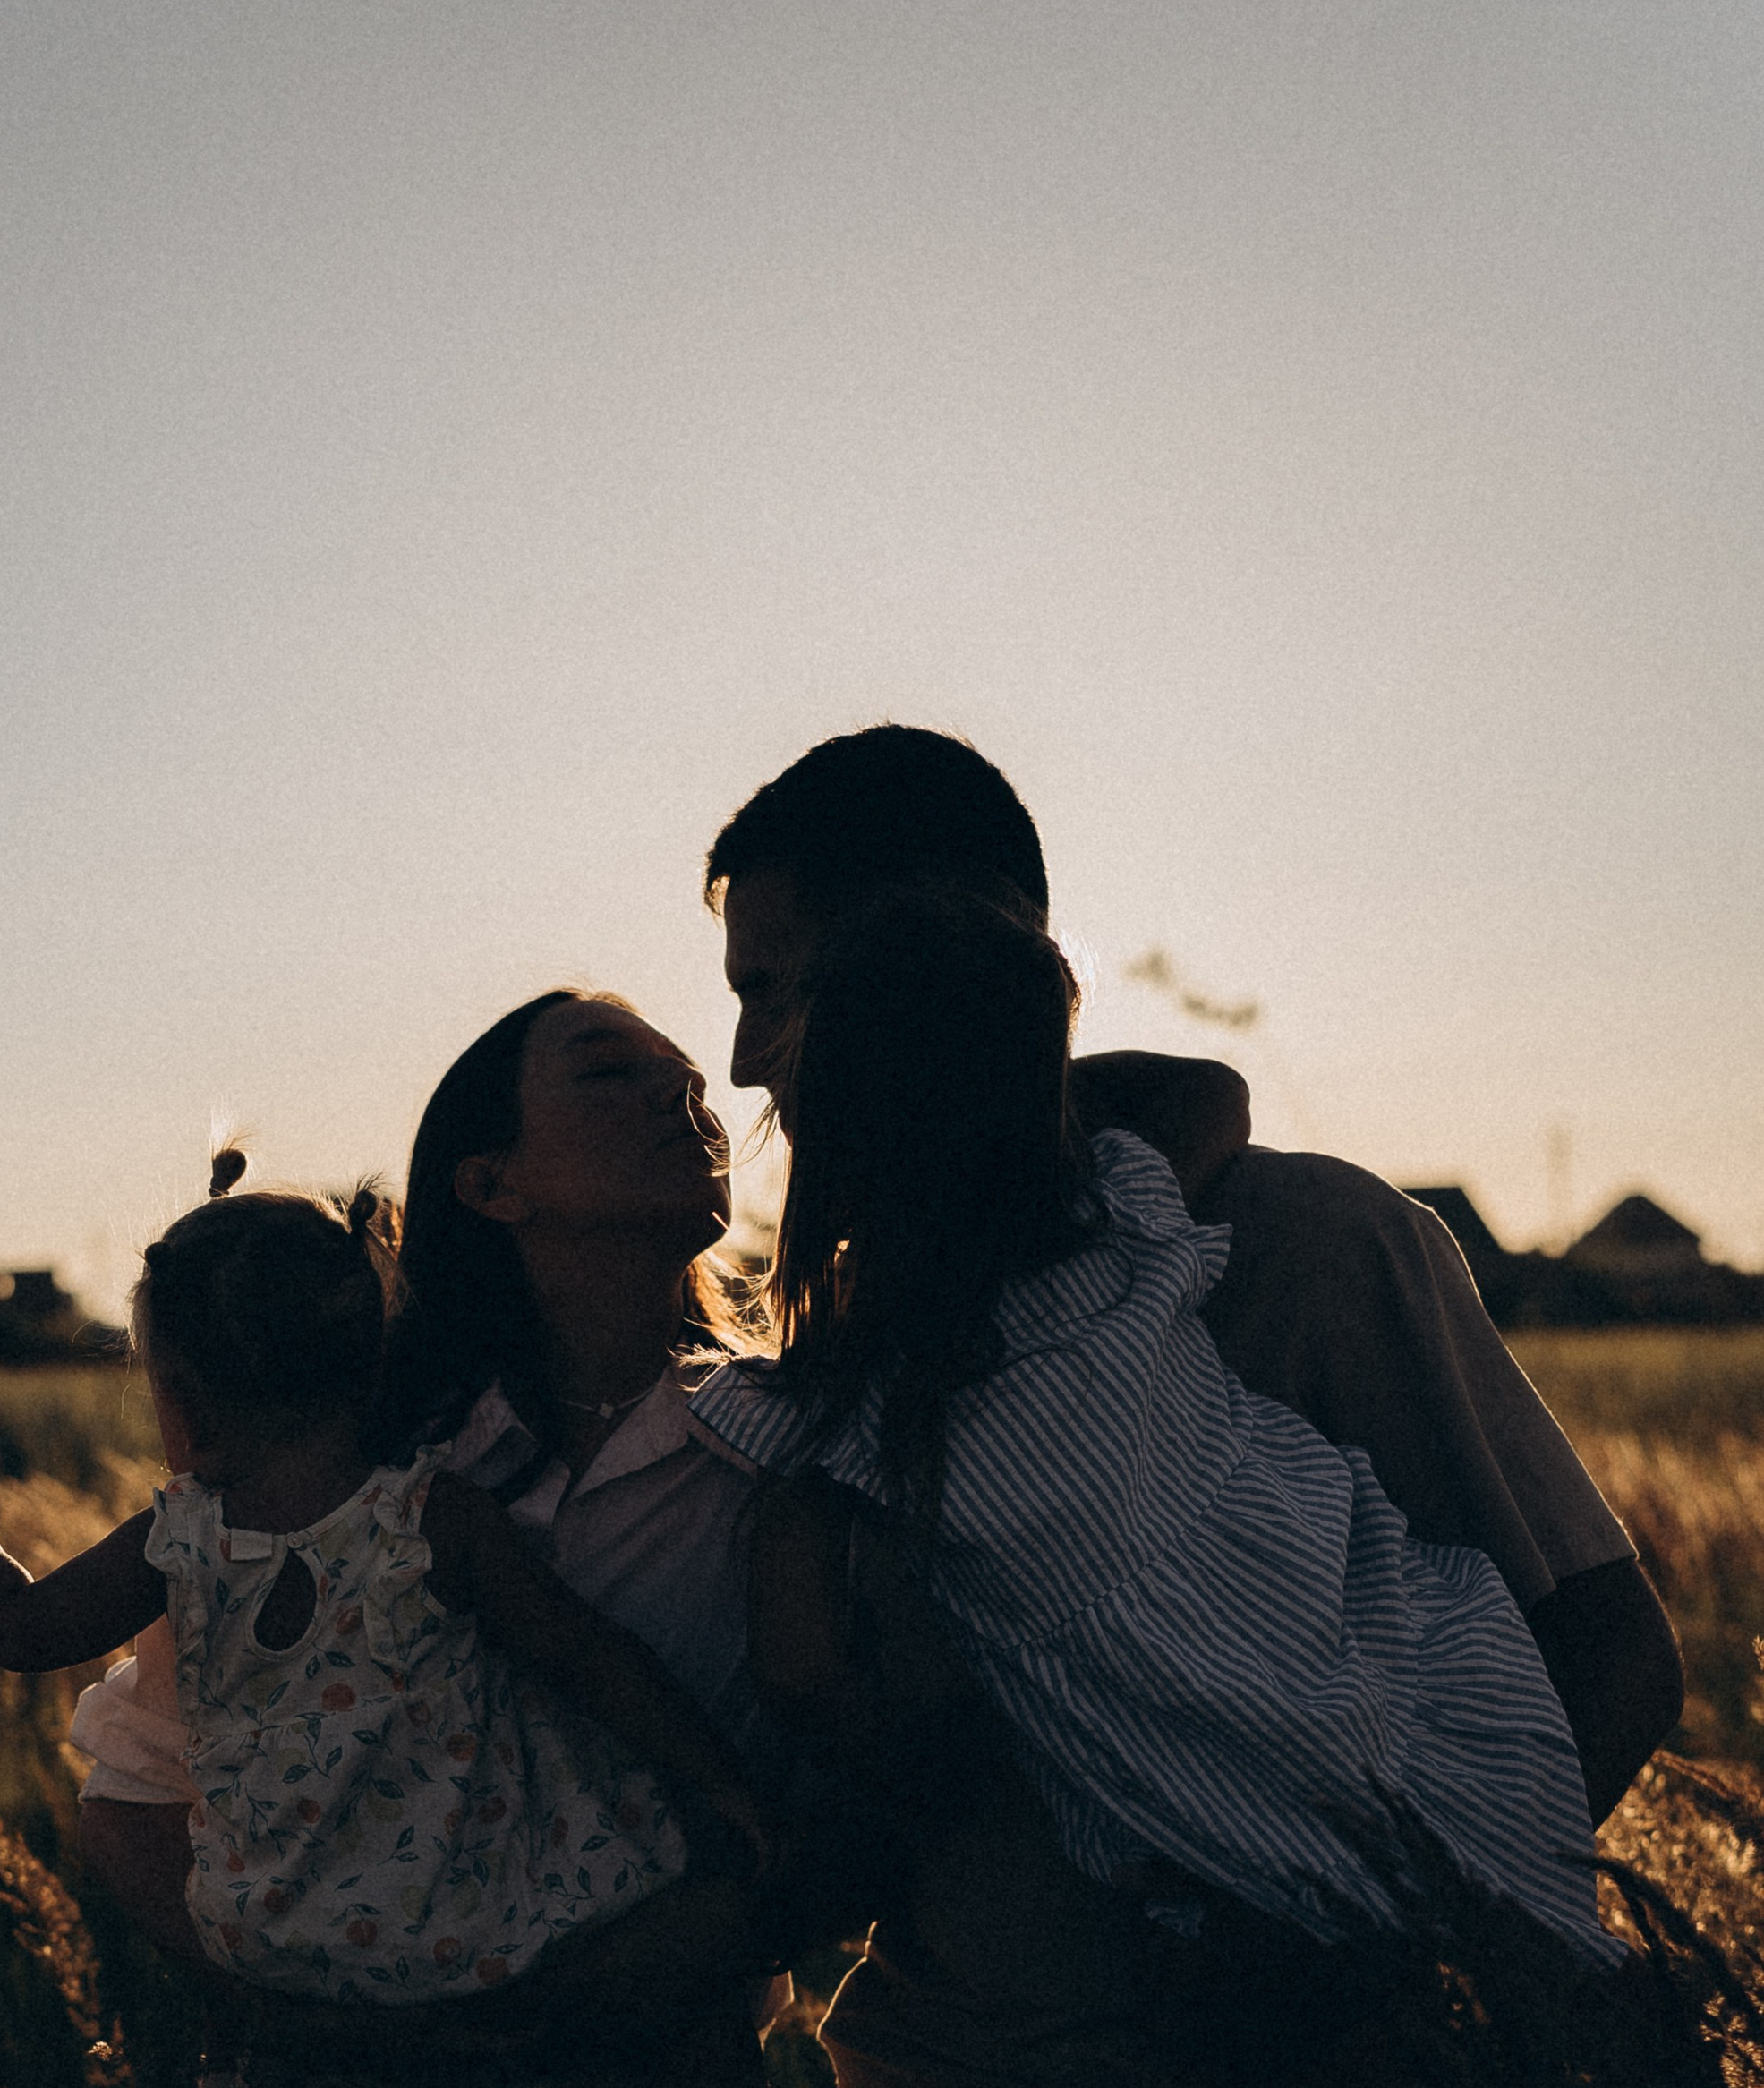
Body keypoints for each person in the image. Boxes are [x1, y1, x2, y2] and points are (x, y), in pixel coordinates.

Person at [707, 723, 1683, 1825]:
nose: (743, 1063)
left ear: (919, 971)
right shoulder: (855, 1314)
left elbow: (1615, 1664)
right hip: (933, 1999)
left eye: (771, 992)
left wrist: (1394, 1947)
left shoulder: (1304, 1240)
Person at [0, 1172, 767, 2016]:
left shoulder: (178, 1539)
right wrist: (722, 1782)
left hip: (277, 1946)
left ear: (184, 1404)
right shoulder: (431, 1518)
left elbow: (17, 1627)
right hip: (480, 1932)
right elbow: (588, 1657)